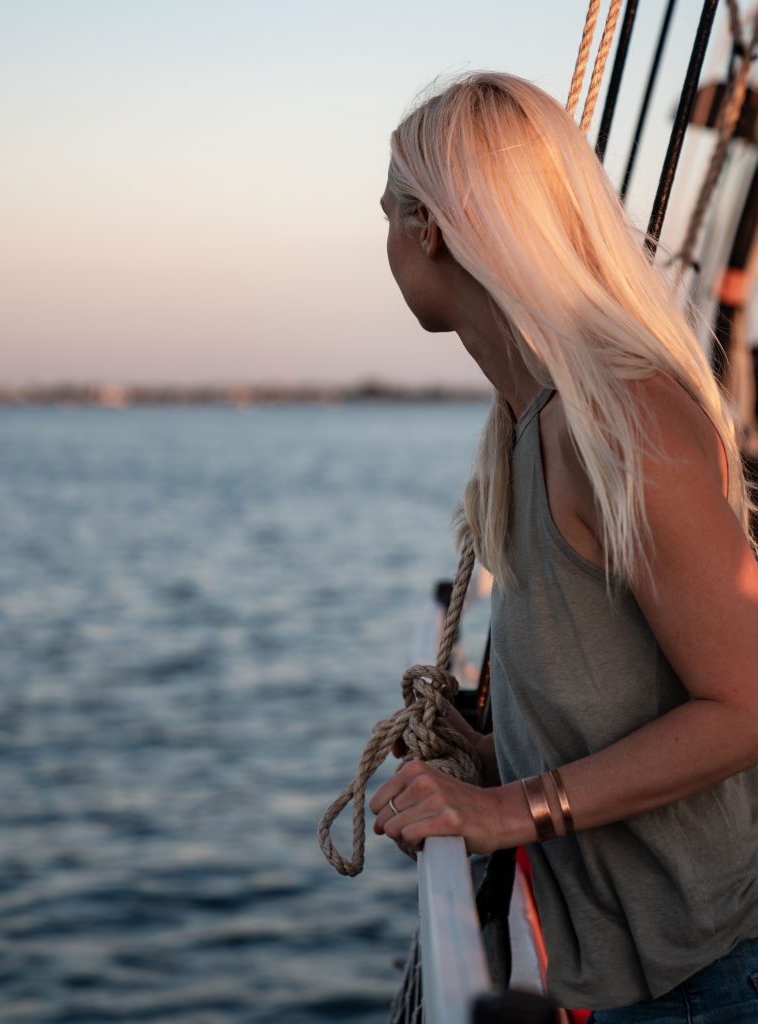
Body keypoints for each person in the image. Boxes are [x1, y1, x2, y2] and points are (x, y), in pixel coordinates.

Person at [367, 73, 758, 1021]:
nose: (380, 244)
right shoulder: (526, 424)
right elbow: (622, 679)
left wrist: (508, 811)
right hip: (618, 974)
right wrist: (501, 750)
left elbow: (746, 704)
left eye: (385, 214)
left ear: (428, 230)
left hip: (698, 980)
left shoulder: (619, 417)